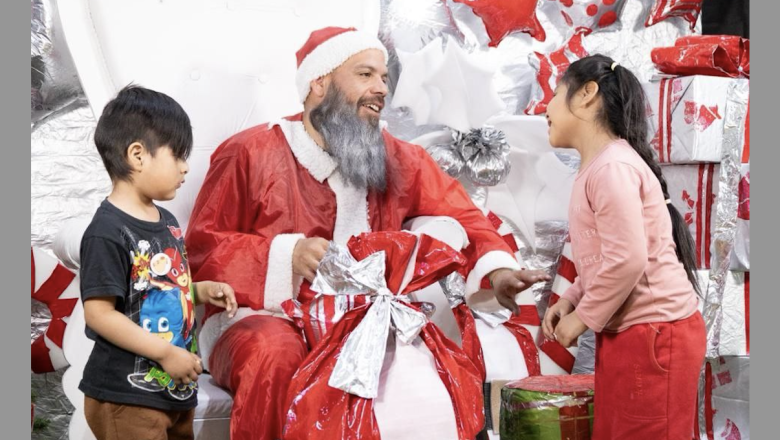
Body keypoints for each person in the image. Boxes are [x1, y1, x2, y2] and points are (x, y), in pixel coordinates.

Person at [185, 26, 550, 440]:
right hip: (263, 317)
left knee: (434, 351)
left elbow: (462, 215)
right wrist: (287, 256)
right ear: (319, 83)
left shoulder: (398, 157)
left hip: (364, 317)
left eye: (384, 77)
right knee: (276, 355)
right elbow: (202, 249)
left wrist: (498, 272)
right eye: (365, 75)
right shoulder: (250, 152)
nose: (381, 89)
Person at [541, 54, 706, 439]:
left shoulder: (612, 167)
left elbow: (628, 260)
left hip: (654, 336)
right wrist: (573, 298)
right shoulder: (600, 167)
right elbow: (606, 256)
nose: (546, 107)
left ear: (587, 94)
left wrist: (581, 319)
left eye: (556, 93)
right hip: (633, 333)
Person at [78, 85, 237, 440]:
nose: (185, 167)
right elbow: (99, 314)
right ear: (138, 155)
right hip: (127, 397)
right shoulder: (107, 231)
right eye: (177, 155)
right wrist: (165, 352)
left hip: (174, 390)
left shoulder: (167, 222)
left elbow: (159, 290)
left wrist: (199, 291)